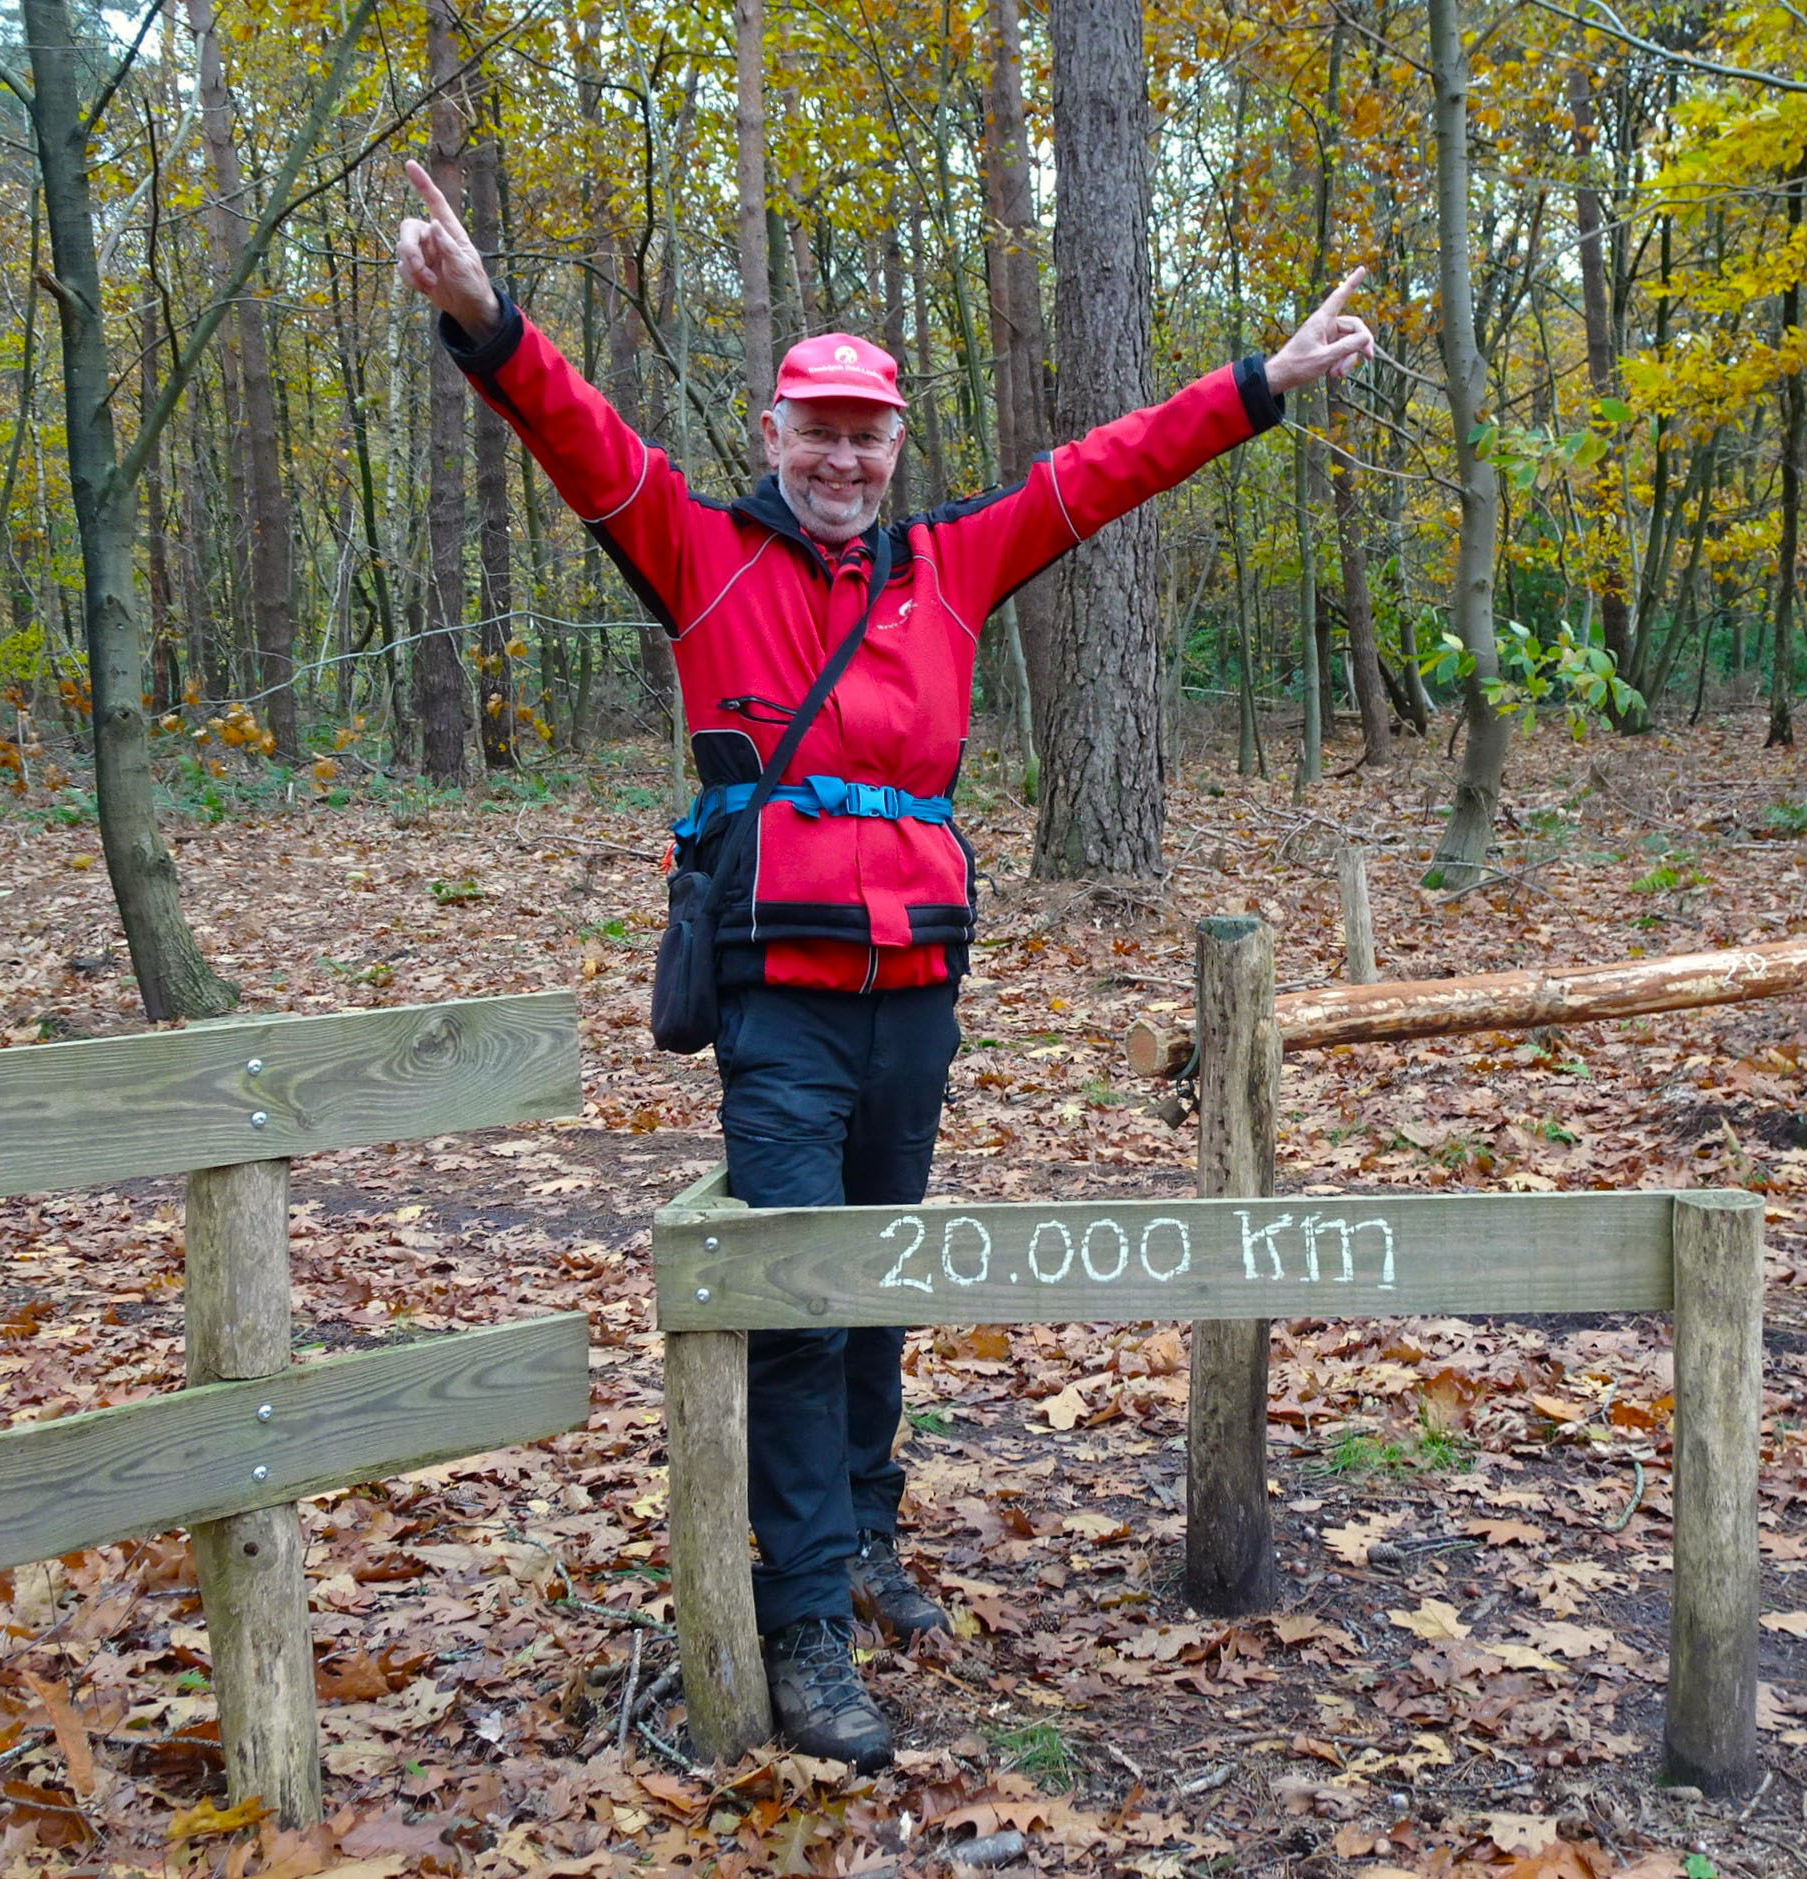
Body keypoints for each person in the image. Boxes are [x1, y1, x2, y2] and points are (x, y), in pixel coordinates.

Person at [396, 158, 1374, 1769]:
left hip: (914, 992)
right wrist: (485, 318)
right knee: (796, 1299)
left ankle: (863, 1535)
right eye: (817, 431)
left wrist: (1259, 381)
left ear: (892, 442)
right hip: (778, 1001)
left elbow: (1106, 471)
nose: (843, 458)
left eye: (868, 432)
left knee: (887, 1285)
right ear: (775, 440)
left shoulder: (951, 567)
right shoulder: (697, 552)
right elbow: (574, 435)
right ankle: (796, 1632)